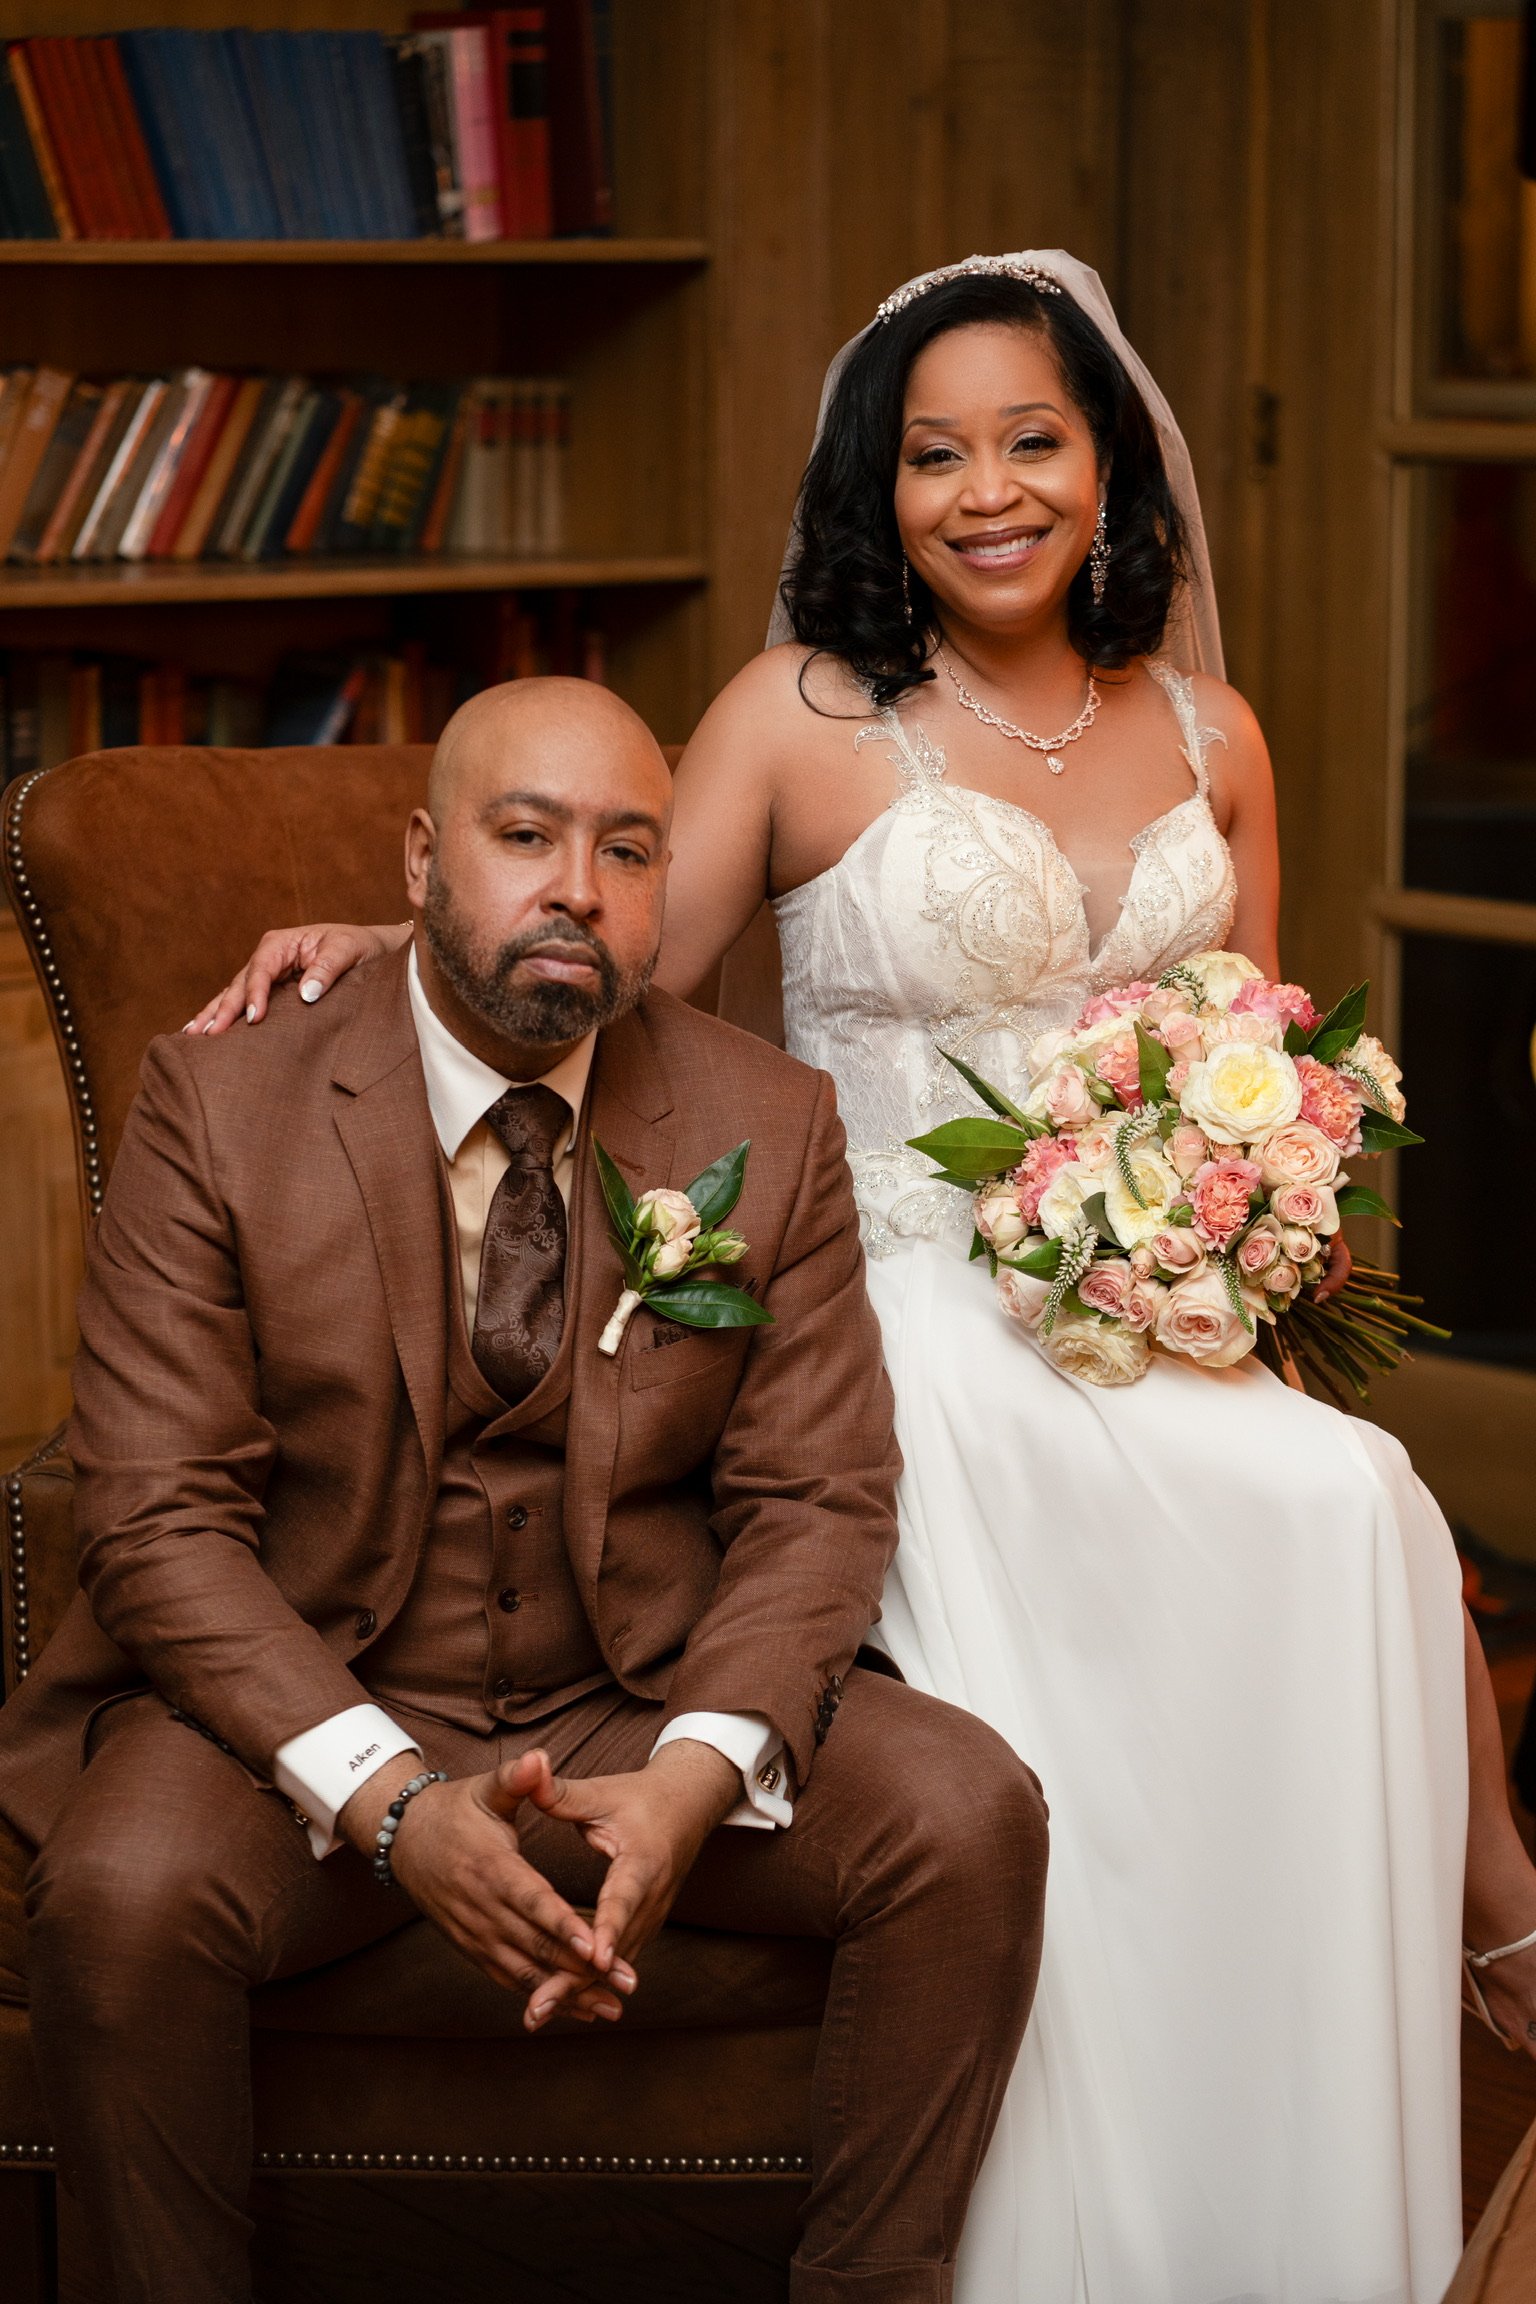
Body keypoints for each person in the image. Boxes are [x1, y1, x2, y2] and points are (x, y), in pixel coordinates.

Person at [190, 252, 1536, 2303]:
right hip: (900, 1291)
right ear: (877, 487)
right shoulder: (803, 716)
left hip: (1146, 1302)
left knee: (1349, 1497)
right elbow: (610, 950)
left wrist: (1245, 1211)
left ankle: (1312, 2142)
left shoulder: (1214, 729)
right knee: (1249, 1506)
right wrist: (370, 946)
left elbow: (1253, 1048)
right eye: (933, 454)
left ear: (1107, 470)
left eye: (1029, 441)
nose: (984, 488)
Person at [0, 677, 1049, 2304]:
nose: (579, 886)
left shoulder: (768, 1124)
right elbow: (155, 1520)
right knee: (122, 1894)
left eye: (630, 850)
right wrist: (394, 1804)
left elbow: (818, 1498)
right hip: (306, 1698)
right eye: (526, 835)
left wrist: (699, 1777)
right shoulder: (221, 1105)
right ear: (422, 858)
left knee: (970, 1815)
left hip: (633, 1693)